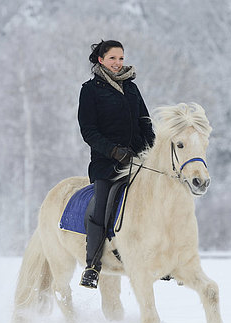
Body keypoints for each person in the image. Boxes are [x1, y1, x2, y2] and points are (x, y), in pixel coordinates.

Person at [77, 39, 155, 289]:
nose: (118, 63)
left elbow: (145, 122)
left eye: (121, 58)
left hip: (137, 162)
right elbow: (89, 131)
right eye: (112, 58)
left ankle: (159, 260)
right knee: (103, 208)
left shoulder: (132, 88)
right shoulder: (90, 90)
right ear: (100, 60)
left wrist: (151, 148)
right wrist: (113, 151)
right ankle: (92, 266)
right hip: (106, 164)